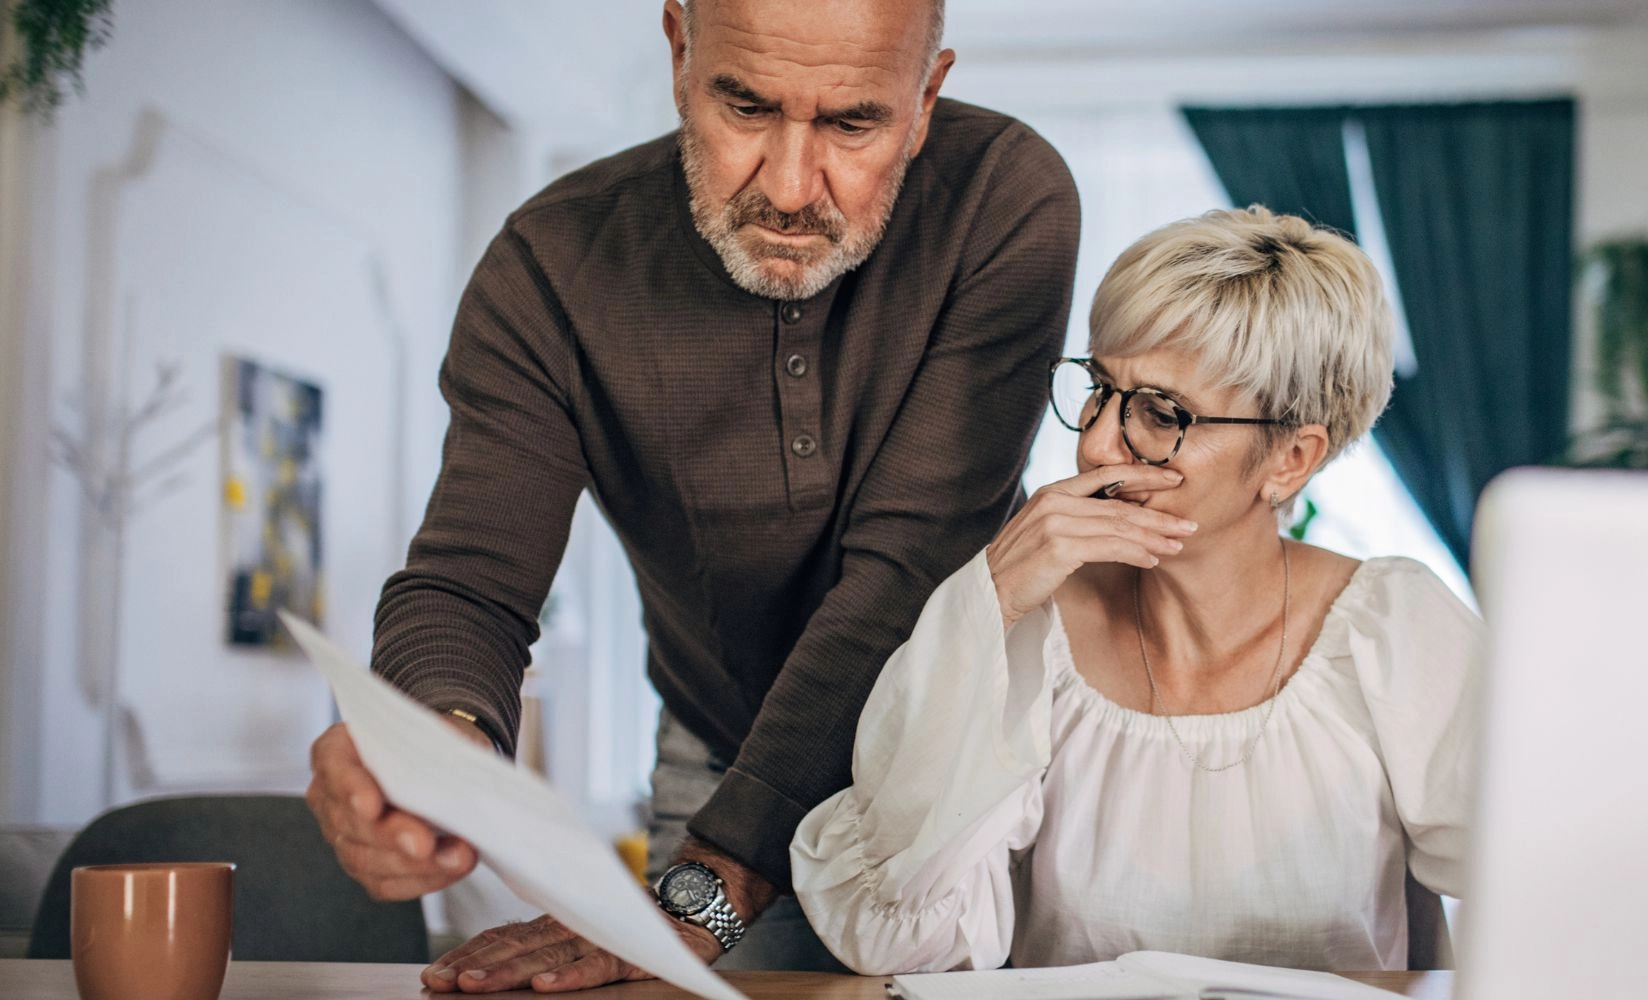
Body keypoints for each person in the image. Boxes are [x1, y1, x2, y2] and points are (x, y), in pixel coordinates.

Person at [303, 0, 1079, 989]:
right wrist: (434, 749)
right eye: (746, 107)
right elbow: (469, 582)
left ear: (925, 99)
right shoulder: (549, 268)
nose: (792, 187)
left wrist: (717, 877)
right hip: (716, 753)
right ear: (678, 53)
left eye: (852, 124)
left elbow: (908, 572)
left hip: (960, 772)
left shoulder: (1003, 199)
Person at [790, 206, 1483, 974]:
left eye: (1160, 414)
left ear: (1291, 459)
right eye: (1098, 389)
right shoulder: (1032, 634)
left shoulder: (1394, 632)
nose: (1092, 444)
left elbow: (1560, 888)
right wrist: (985, 606)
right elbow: (898, 941)